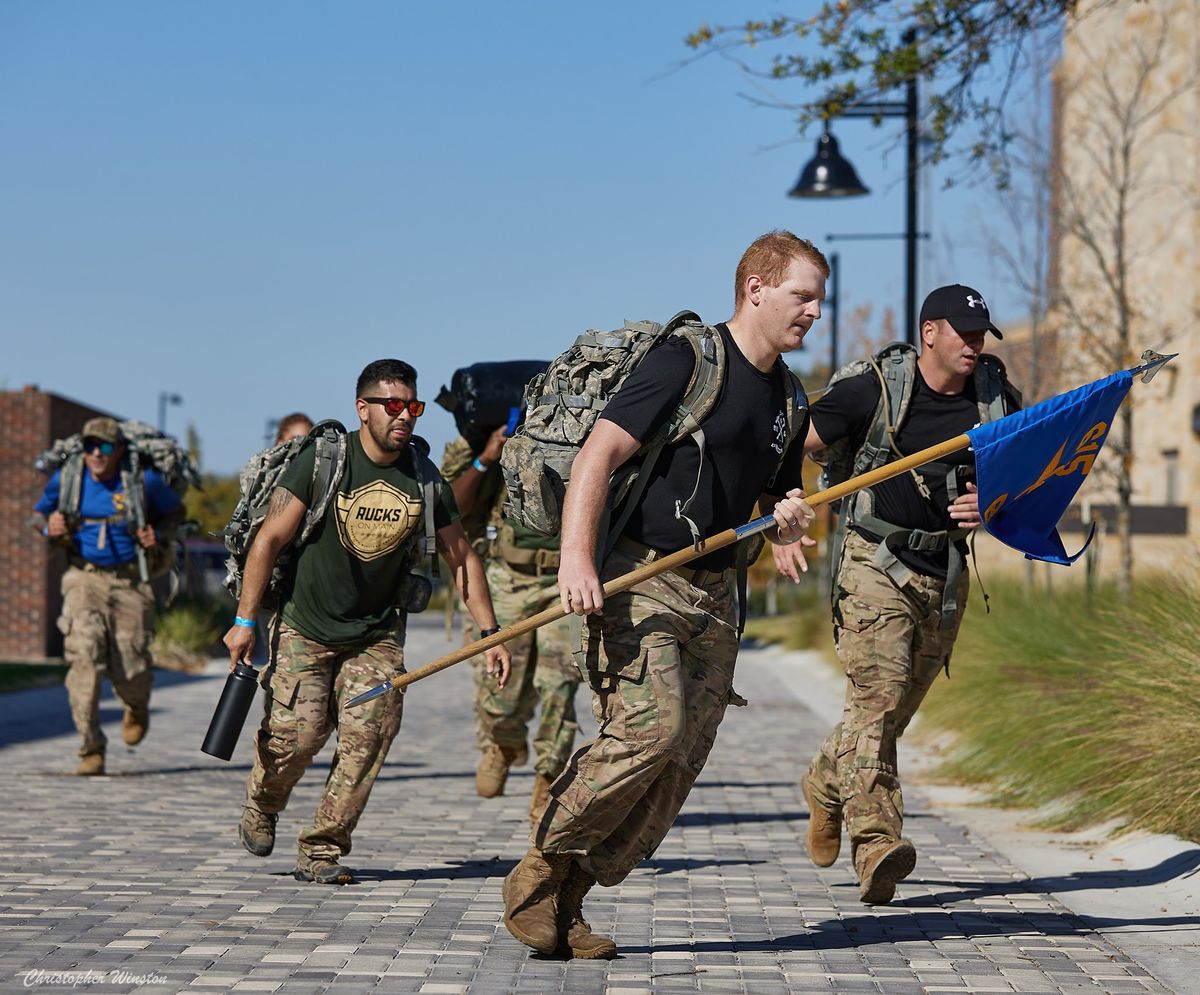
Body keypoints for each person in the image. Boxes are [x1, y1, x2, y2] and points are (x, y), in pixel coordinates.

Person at [502, 230, 822, 959]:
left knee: (680, 761)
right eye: (802, 297)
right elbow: (599, 453)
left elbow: (767, 489)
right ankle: (539, 868)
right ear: (757, 289)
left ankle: (568, 903)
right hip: (642, 575)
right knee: (652, 728)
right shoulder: (688, 360)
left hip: (714, 593)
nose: (813, 314)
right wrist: (576, 560)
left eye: (818, 301)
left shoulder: (790, 397)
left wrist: (785, 520)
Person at [223, 359, 512, 885]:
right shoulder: (323, 461)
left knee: (370, 735)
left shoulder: (424, 477)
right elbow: (268, 539)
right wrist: (244, 619)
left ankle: (322, 849)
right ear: (364, 408)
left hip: (376, 635)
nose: (405, 417)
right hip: (305, 626)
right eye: (394, 406)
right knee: (299, 738)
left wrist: (491, 633)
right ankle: (264, 801)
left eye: (413, 407)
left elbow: (462, 557)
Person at [774, 284, 1018, 905]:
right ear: (929, 332)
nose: (974, 345)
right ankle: (877, 843)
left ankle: (826, 782)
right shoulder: (874, 390)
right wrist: (776, 511)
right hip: (873, 562)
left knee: (888, 720)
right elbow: (789, 444)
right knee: (876, 706)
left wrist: (989, 504)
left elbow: (1019, 479)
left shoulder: (995, 397)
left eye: (981, 335)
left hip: (946, 574)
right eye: (962, 333)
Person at [441, 424, 580, 823]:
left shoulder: (584, 433)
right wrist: (488, 456)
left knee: (559, 687)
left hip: (563, 583)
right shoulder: (502, 440)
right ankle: (503, 743)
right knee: (500, 688)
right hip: (508, 579)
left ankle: (549, 780)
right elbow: (454, 508)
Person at [33, 416, 184, 776]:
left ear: (118, 450)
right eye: (89, 446)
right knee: (83, 659)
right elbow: (39, 513)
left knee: (131, 668)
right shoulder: (69, 480)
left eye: (103, 447)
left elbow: (176, 512)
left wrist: (157, 534)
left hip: (131, 582)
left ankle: (137, 706)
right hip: (84, 579)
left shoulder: (141, 481)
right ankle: (90, 748)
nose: (96, 454)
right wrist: (46, 525)